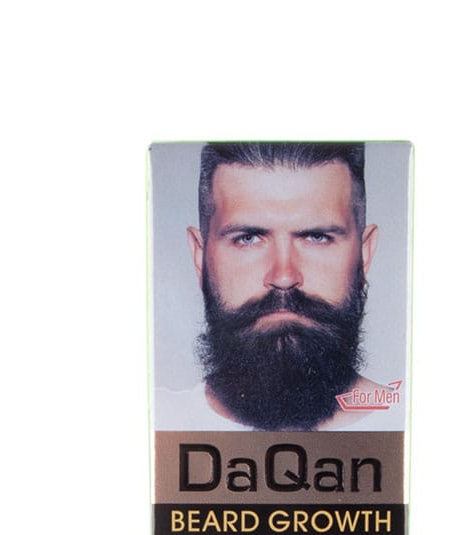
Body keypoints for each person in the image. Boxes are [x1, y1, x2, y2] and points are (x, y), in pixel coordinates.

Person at [156, 142, 403, 432]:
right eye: (248, 238)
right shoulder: (157, 423)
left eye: (316, 237)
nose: (284, 276)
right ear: (200, 256)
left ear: (364, 254)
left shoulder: (413, 429)